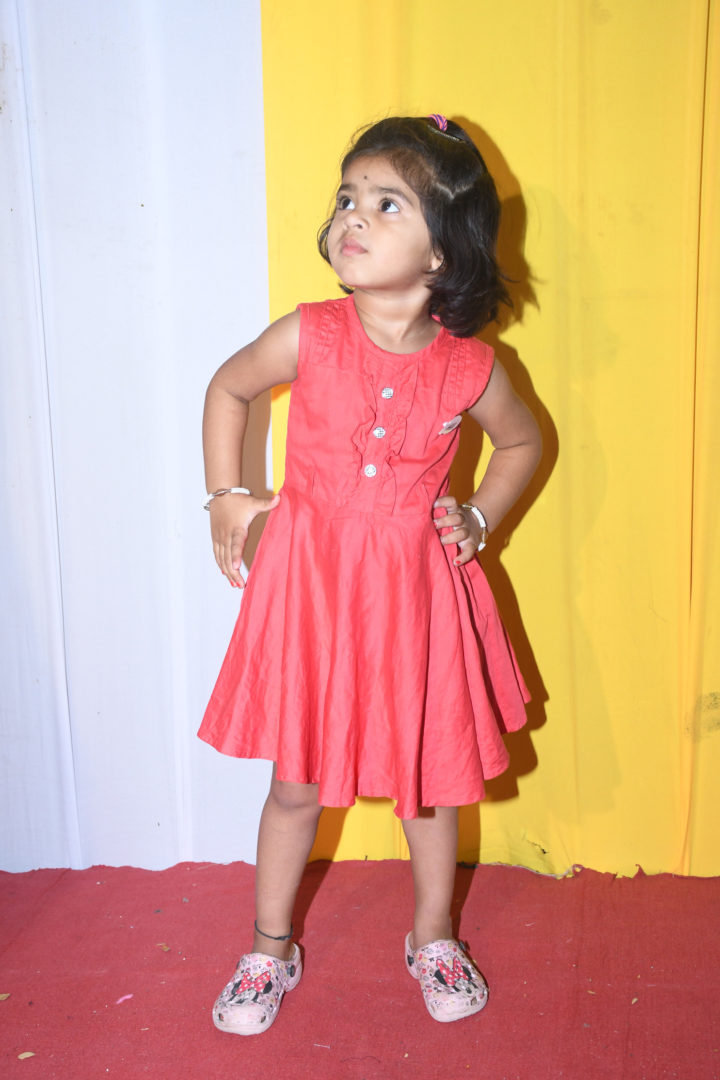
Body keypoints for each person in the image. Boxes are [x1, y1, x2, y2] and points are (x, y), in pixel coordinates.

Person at [198, 114, 542, 1035]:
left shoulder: (472, 366)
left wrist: (479, 516)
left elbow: (522, 443)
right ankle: (270, 948)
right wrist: (227, 496)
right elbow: (229, 387)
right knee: (295, 782)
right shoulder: (309, 334)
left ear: (444, 251)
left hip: (415, 599)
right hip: (313, 591)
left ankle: (433, 936)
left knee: (428, 783)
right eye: (348, 196)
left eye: (387, 204)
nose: (353, 214)